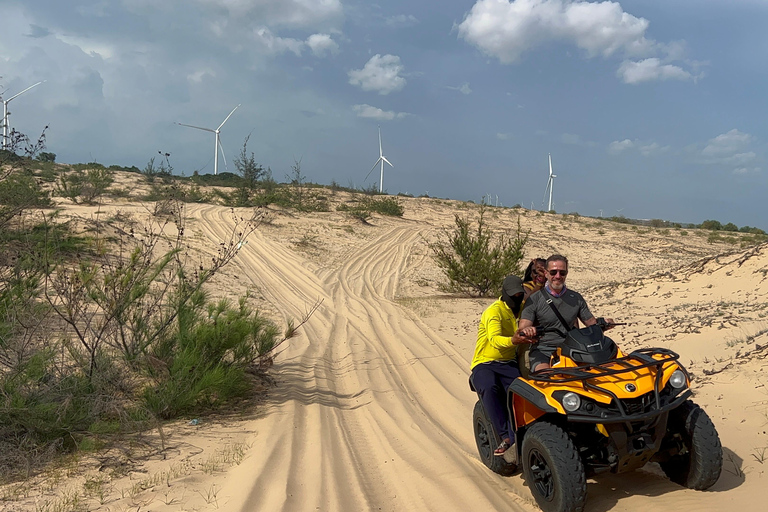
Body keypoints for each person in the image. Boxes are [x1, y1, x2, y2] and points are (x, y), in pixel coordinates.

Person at [470, 275, 534, 456]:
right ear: (504, 294)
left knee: (520, 393)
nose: (517, 298)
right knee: (489, 387)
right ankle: (505, 436)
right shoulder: (494, 311)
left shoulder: (523, 309)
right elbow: (495, 339)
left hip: (509, 363)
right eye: (513, 295)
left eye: (520, 295)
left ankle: (524, 434)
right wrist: (513, 340)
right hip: (485, 362)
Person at [517, 254, 613, 373]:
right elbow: (522, 328)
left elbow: (592, 324)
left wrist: (605, 323)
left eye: (562, 273)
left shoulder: (576, 298)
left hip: (573, 349)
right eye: (553, 272)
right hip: (543, 351)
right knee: (546, 378)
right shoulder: (534, 299)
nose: (558, 276)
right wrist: (527, 330)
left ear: (566, 274)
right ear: (546, 273)